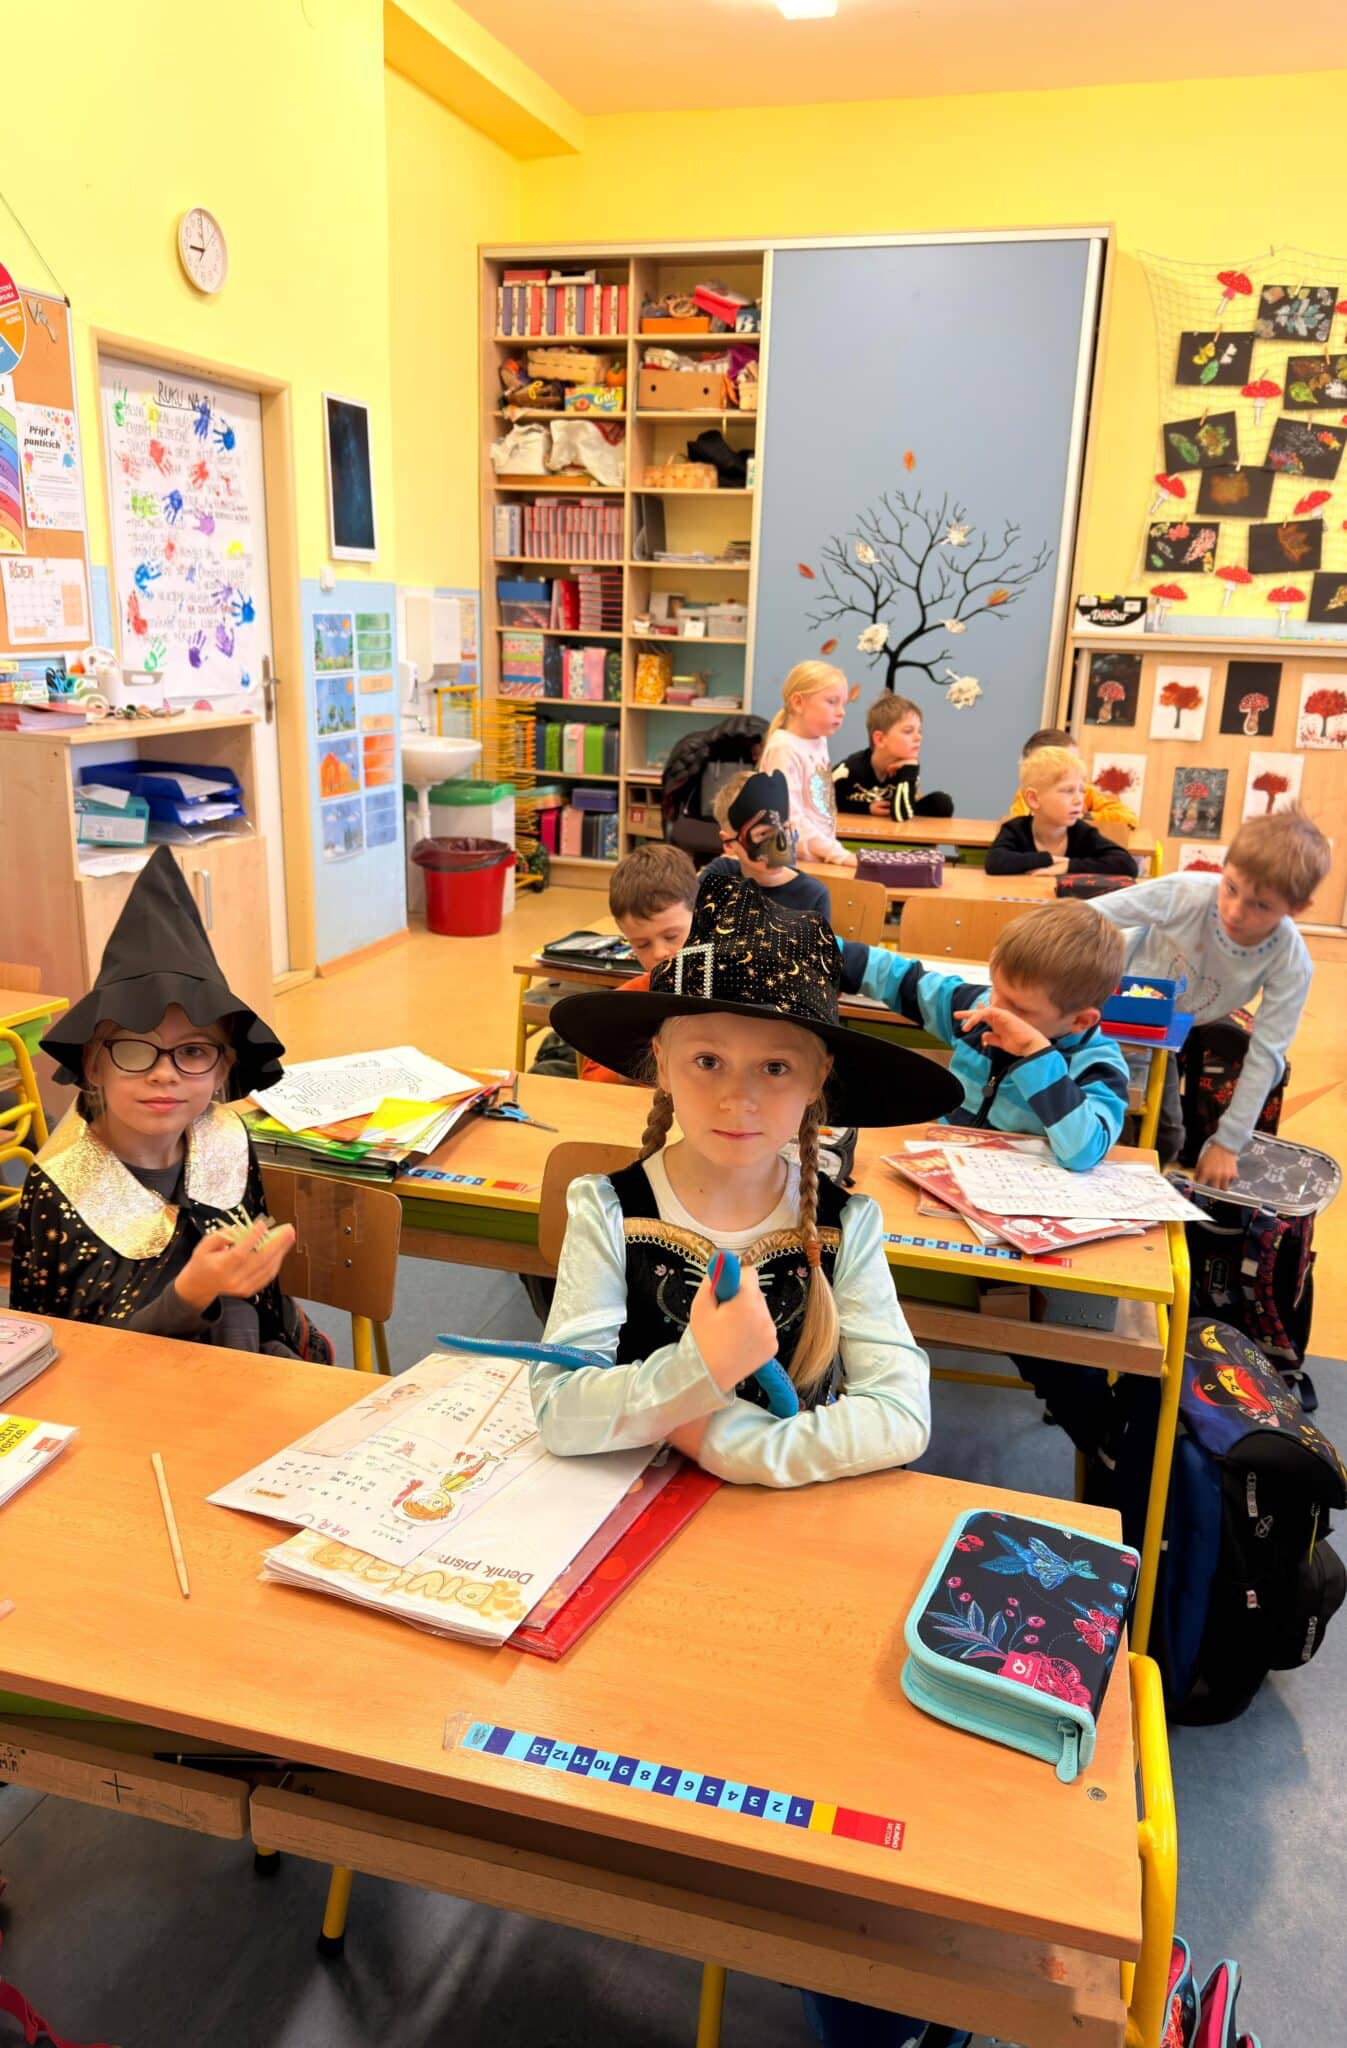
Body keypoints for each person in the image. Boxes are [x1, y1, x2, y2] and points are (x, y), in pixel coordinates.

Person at [534, 876, 963, 2048]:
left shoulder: (842, 1221)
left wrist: (738, 1444)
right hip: (618, 1566)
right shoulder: (611, 1207)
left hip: (793, 1562)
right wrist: (697, 1367)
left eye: (776, 1066)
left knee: (844, 1800)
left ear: (820, 1082)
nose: (738, 1094)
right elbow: (560, 1409)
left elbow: (904, 1413)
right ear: (660, 1065)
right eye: (709, 1060)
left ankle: (878, 1999)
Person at [9, 847, 329, 1359]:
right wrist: (190, 1294)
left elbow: (258, 1310)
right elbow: (71, 1354)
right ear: (94, 1065)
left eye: (194, 1052)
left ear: (222, 1070)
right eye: (135, 1048)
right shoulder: (62, 1186)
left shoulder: (226, 1140)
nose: (164, 1073)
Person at [1093, 808, 1331, 1184]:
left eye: (1260, 905)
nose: (1235, 912)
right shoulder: (1186, 893)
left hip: (1161, 1032)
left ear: (1297, 908)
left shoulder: (1290, 960)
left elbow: (1266, 1054)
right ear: (1224, 868)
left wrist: (1228, 1143)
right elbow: (1089, 915)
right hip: (1101, 1001)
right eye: (1231, 888)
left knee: (1168, 1136)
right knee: (1109, 1112)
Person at [843, 898, 1129, 1169]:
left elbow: (1083, 1153)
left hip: (1018, 1189)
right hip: (943, 1166)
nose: (994, 1009)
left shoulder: (1098, 1065)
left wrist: (1035, 1054)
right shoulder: (978, 1006)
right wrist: (827, 950)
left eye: (1018, 1008)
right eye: (995, 988)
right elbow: (900, 978)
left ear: (1080, 1020)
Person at [576, 842, 699, 1087]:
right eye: (642, 945)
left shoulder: (738, 990)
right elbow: (590, 1083)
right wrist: (639, 1064)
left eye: (672, 936)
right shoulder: (625, 1004)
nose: (660, 953)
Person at [757, 660, 857, 868]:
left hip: (817, 859)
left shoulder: (819, 741)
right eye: (832, 702)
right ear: (798, 703)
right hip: (791, 866)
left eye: (843, 704)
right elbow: (789, 819)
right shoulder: (783, 748)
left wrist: (832, 851)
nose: (841, 712)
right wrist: (838, 855)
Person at [986, 745, 1138, 879]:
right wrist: (1049, 860)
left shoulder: (1082, 833)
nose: (1079, 800)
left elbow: (1127, 865)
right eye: (1068, 791)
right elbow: (995, 861)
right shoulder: (1015, 829)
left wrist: (1069, 866)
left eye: (1081, 791)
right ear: (1033, 799)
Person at [699, 767, 833, 916]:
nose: (780, 844)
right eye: (763, 834)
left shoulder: (812, 897)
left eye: (784, 828)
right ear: (729, 844)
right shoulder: (719, 876)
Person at [832, 693, 954, 820]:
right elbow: (820, 804)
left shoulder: (908, 768)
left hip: (894, 820)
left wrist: (910, 770)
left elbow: (901, 815)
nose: (918, 737)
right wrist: (866, 808)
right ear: (880, 739)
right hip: (856, 827)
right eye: (908, 731)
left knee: (941, 803)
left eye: (919, 731)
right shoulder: (847, 770)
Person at [1009, 726, 1138, 832]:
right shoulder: (1028, 795)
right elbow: (1018, 824)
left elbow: (1129, 818)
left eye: (1077, 762)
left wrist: (1085, 817)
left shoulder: (1085, 792)